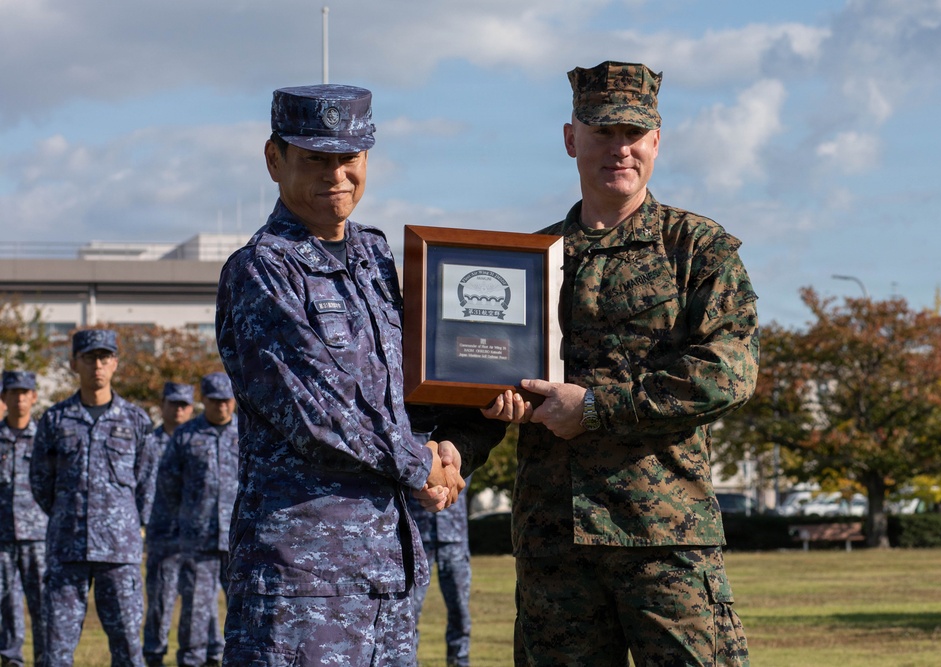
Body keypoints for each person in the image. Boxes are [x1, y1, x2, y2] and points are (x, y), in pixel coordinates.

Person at [470, 61, 760, 666]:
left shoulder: (696, 248)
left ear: (656, 140)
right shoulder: (529, 260)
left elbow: (728, 371)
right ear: (571, 138)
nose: (619, 149)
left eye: (633, 133)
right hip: (554, 542)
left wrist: (598, 409)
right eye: (602, 132)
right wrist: (456, 448)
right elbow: (489, 374)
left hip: (665, 539)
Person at [215, 84, 505, 667]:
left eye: (348, 158)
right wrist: (423, 464)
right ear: (274, 159)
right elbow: (319, 410)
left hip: (387, 569)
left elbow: (412, 390)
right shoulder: (262, 271)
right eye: (315, 158)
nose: (336, 175)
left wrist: (473, 418)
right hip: (302, 577)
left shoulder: (377, 261)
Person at [30, 329, 156, 667]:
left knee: (128, 647)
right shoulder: (55, 420)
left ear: (115, 363)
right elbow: (41, 482)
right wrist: (65, 515)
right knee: (55, 649)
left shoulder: (136, 421)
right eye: (89, 358)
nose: (96, 365)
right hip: (67, 548)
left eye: (104, 358)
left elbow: (147, 482)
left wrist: (132, 523)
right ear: (74, 364)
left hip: (119, 550)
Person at [154, 373, 237, 667]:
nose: (222, 407)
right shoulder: (186, 435)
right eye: (215, 401)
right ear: (203, 400)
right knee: (195, 607)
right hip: (196, 537)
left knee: (242, 606)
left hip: (237, 538)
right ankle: (192, 660)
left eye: (227, 401)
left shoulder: (249, 433)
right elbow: (168, 485)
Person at [405, 433, 472, 667]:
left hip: (454, 537)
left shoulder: (455, 439)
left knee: (460, 613)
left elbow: (464, 475)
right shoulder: (408, 434)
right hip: (418, 536)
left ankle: (459, 662)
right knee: (410, 612)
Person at [142, 382, 196, 667]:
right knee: (160, 600)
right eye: (173, 403)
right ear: (162, 405)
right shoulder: (149, 443)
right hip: (162, 534)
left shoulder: (197, 441)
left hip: (195, 537)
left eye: (183, 405)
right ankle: (154, 654)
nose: (178, 410)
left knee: (197, 601)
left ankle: (202, 653)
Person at [0, 371, 48, 667]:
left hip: (39, 536)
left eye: (25, 392)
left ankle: (46, 659)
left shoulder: (45, 437)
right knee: (7, 604)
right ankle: (11, 660)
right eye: (13, 392)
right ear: (4, 398)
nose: (19, 398)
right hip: (2, 538)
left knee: (43, 604)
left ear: (34, 397)